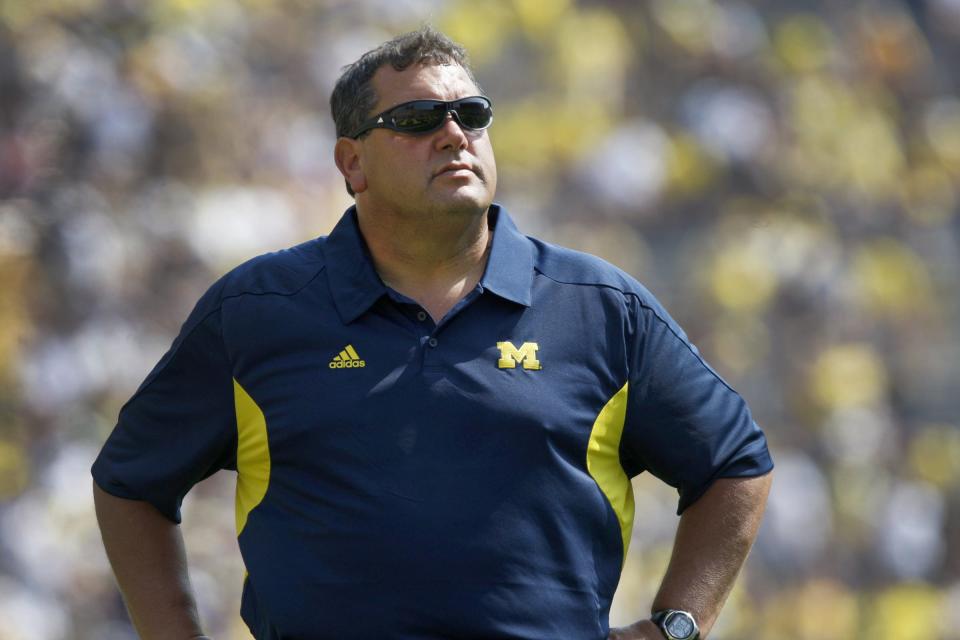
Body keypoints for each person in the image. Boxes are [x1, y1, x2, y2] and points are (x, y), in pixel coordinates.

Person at [92, 26, 773, 640]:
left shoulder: (599, 307)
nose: (454, 134)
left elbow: (734, 465)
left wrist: (678, 626)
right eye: (417, 119)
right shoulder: (258, 310)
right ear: (351, 164)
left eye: (471, 115)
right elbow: (131, 484)